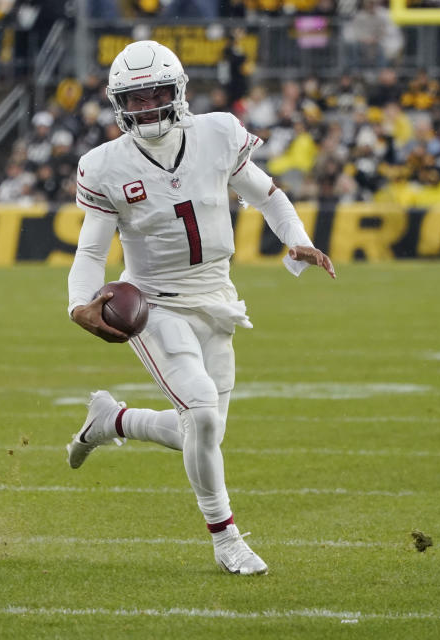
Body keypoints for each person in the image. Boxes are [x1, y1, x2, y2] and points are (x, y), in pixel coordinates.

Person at [66, 41, 335, 576]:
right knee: (203, 409)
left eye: (157, 93)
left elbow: (267, 194)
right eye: (134, 99)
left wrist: (297, 237)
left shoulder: (216, 133)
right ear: (120, 104)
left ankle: (112, 420)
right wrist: (80, 303)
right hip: (154, 302)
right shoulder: (104, 164)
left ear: (179, 90)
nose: (146, 108)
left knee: (201, 429)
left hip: (217, 298)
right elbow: (92, 249)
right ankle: (226, 538)